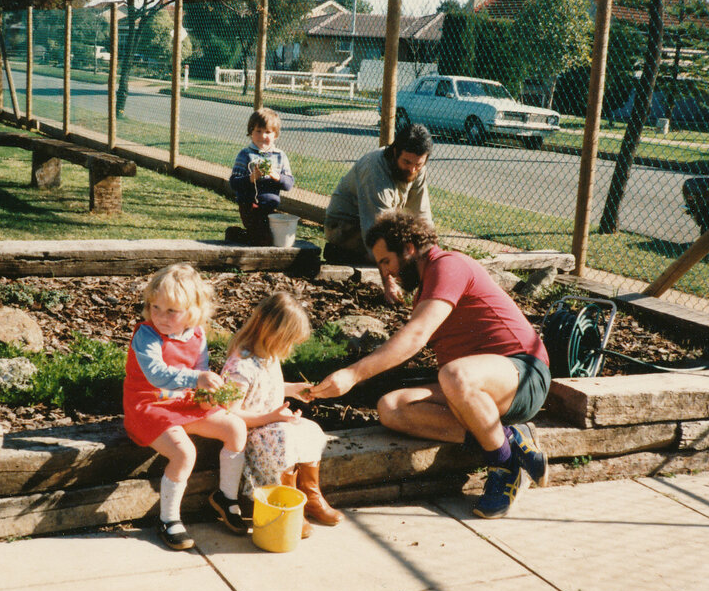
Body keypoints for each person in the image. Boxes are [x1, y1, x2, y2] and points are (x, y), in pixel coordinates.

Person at [309, 210, 550, 519]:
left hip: (523, 374)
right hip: (481, 390)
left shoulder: (448, 265)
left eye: (386, 261)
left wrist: (352, 374)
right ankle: (510, 438)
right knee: (391, 407)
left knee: (455, 374)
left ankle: (505, 466)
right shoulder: (426, 285)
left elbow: (416, 336)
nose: (387, 272)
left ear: (409, 248)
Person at [122, 263, 248, 550]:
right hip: (149, 404)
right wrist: (198, 378)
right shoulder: (147, 334)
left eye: (171, 311)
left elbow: (199, 370)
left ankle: (226, 497)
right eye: (155, 307)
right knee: (184, 451)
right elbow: (156, 373)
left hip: (184, 403)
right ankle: (168, 519)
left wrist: (210, 394)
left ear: (192, 311)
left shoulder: (197, 334)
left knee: (236, 428)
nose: (161, 317)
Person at [221, 292, 342, 539]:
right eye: (288, 341)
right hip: (252, 435)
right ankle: (288, 504)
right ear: (271, 332)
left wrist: (292, 390)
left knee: (310, 430)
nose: (289, 348)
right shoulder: (241, 366)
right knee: (285, 436)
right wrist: (272, 417)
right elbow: (230, 413)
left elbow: (265, 386)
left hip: (271, 426)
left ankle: (310, 496)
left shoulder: (268, 356)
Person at [324, 123, 435, 303]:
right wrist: (389, 284)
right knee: (403, 258)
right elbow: (377, 233)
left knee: (413, 254)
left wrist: (434, 262)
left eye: (418, 164)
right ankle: (341, 252)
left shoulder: (417, 169)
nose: (412, 170)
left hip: (380, 226)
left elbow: (422, 218)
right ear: (394, 152)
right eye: (406, 162)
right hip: (345, 227)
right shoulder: (374, 169)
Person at [226, 108, 295, 246]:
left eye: (268, 132)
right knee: (264, 239)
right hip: (249, 205)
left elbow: (289, 184)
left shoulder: (280, 156)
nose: (263, 136)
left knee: (270, 237)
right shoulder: (246, 154)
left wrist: (276, 176)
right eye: (258, 131)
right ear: (251, 132)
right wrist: (252, 178)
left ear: (275, 135)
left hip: (269, 207)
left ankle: (237, 234)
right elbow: (234, 182)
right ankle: (237, 235)